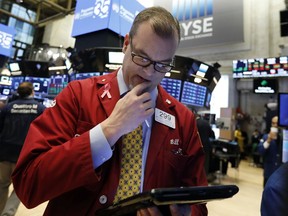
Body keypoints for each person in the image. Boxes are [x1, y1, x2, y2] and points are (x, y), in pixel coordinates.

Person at [11, 7, 208, 216]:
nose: (149, 72)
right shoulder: (78, 95)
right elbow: (28, 184)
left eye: (162, 65)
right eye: (141, 57)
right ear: (125, 44)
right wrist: (108, 131)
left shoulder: (183, 119)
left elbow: (198, 203)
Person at [0, 82, 46, 216]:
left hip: (4, 153)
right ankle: (8, 213)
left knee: (2, 184)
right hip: (25, 155)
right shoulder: (40, 108)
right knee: (21, 187)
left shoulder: (7, 107)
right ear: (32, 91)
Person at [258, 116, 282, 187]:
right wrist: (268, 140)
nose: (275, 125)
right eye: (273, 123)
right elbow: (261, 151)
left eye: (277, 123)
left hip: (281, 174)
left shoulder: (284, 139)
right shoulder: (265, 137)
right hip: (269, 172)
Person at [196, 114, 215, 182]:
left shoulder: (195, 123)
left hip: (197, 145)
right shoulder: (206, 123)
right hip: (206, 145)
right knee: (206, 161)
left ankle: (197, 179)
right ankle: (204, 178)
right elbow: (212, 135)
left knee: (197, 162)